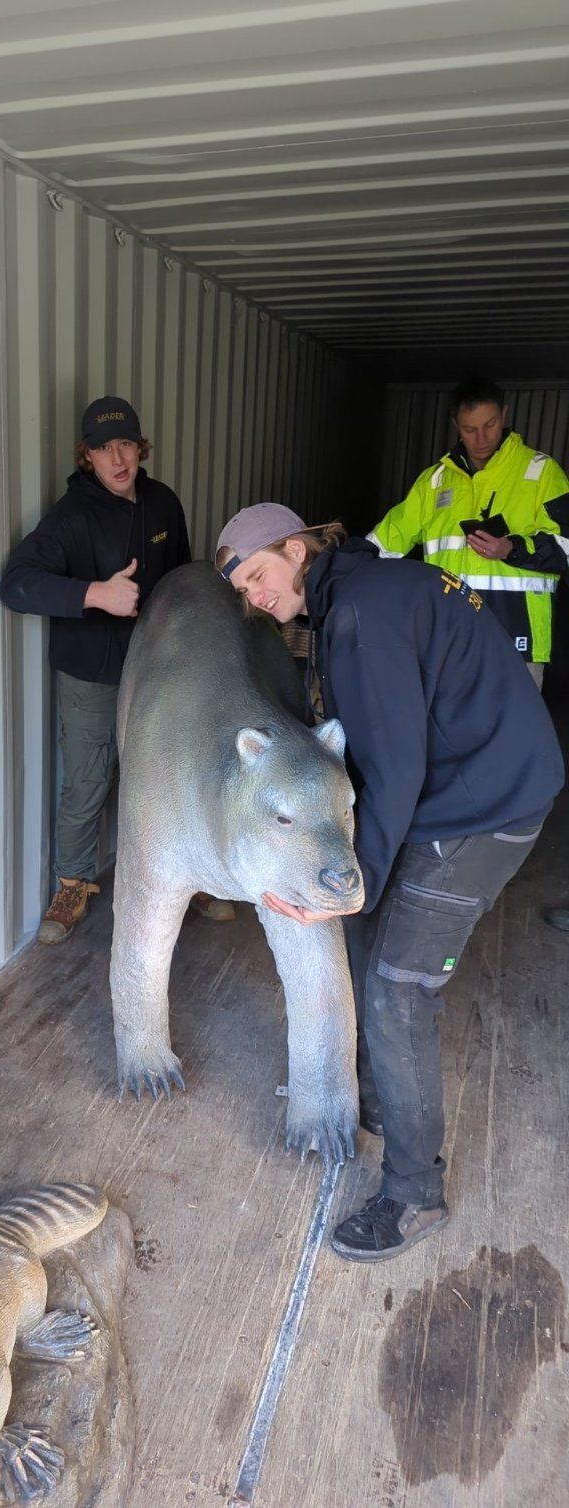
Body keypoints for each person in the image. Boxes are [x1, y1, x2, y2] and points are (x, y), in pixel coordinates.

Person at [214, 503, 564, 1261]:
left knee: (398, 990)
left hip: (487, 806)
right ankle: (380, 1096)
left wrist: (353, 884)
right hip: (469, 779)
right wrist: (359, 891)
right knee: (368, 935)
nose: (256, 597)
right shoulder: (363, 593)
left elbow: (395, 768)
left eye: (259, 575)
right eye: (243, 591)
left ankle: (414, 1197)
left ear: (296, 550)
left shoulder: (361, 618)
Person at [0, 396, 233, 944]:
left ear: (140, 446)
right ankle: (72, 885)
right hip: (92, 674)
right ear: (88, 456)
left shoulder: (162, 503)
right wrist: (94, 594)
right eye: (104, 448)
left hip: (158, 670)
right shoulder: (71, 517)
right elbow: (16, 583)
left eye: (126, 443)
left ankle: (193, 876)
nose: (118, 458)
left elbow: (181, 583)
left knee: (171, 778)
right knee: (87, 782)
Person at [368, 377, 569, 688]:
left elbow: (565, 548)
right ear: (455, 426)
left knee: (514, 721)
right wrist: (346, 567)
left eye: (490, 424)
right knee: (443, 720)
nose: (482, 438)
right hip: (448, 640)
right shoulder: (434, 481)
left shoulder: (542, 472)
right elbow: (385, 541)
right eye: (470, 429)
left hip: (517, 638)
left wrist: (511, 549)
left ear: (504, 414)